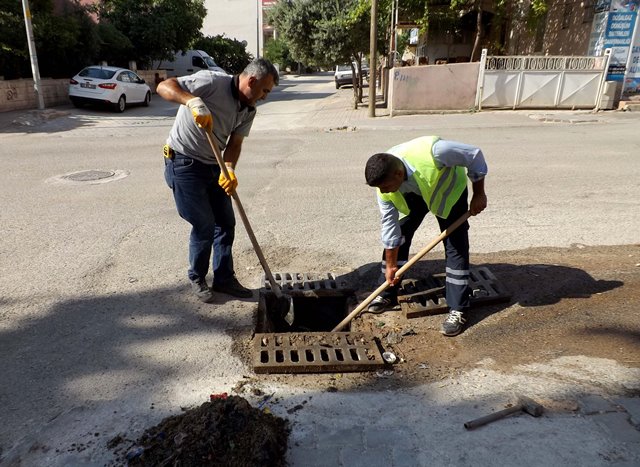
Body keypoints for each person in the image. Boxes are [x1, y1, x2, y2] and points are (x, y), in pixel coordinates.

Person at [157, 58, 279, 303]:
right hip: (184, 163)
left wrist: (230, 170)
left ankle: (224, 279)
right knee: (204, 225)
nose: (265, 97)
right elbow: (164, 86)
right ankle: (197, 277)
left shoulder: (249, 109)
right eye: (264, 90)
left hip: (216, 166)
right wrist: (191, 101)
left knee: (225, 223)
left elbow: (235, 144)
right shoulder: (210, 81)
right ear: (251, 81)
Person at [364, 136, 488, 336]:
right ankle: (386, 293)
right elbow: (389, 227)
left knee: (455, 245)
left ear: (398, 173)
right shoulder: (385, 185)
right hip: (412, 194)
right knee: (400, 235)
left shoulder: (436, 152)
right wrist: (390, 265)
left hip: (447, 193)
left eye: (385, 187)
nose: (383, 191)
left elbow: (474, 155)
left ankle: (458, 309)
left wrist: (479, 194)